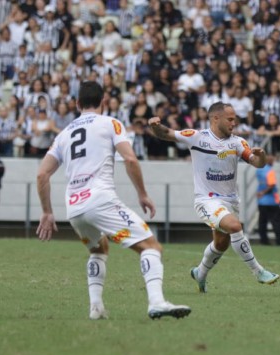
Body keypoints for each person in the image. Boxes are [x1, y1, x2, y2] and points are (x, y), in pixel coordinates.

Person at [36, 81, 191, 320]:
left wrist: (47, 212)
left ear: (77, 104)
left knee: (99, 248)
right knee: (150, 247)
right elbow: (130, 160)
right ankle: (156, 302)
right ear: (104, 102)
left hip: (75, 209)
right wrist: (142, 193)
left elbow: (42, 174)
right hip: (100, 201)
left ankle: (96, 308)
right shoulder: (111, 123)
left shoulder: (64, 134)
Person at [147, 102, 280, 293]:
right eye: (230, 119)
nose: (234, 123)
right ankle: (258, 272)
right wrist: (154, 126)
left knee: (221, 243)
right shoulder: (197, 137)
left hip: (230, 201)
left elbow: (256, 163)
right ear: (216, 118)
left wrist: (262, 157)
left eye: (235, 119)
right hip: (206, 201)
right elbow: (166, 133)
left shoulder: (237, 142)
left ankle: (200, 273)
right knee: (235, 226)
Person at [256, 154, 280, 245]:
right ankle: (279, 240)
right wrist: (264, 192)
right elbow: (271, 184)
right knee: (277, 222)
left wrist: (261, 193)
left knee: (262, 222)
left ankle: (264, 240)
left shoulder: (259, 170)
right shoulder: (270, 171)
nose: (273, 162)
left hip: (261, 201)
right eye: (272, 160)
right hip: (272, 201)